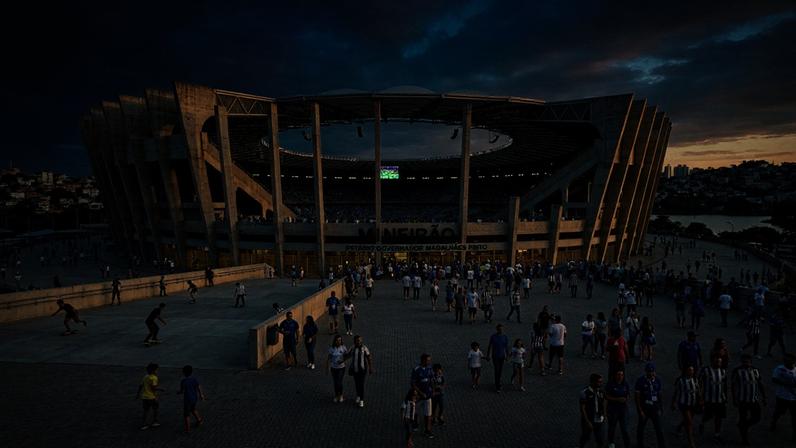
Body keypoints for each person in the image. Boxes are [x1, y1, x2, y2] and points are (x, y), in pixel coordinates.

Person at [731, 354, 766, 446]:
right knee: (743, 418)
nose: (746, 363)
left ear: (751, 362)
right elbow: (733, 386)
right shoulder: (737, 371)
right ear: (741, 362)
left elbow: (760, 383)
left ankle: (744, 425)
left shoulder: (755, 370)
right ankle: (744, 439)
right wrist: (734, 399)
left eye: (747, 362)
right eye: (744, 362)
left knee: (757, 417)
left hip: (754, 399)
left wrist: (764, 397)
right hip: (743, 401)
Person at [635, 362, 666, 448]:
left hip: (654, 408)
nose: (651, 373)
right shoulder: (641, 381)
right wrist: (640, 410)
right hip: (645, 407)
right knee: (641, 428)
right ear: (646, 371)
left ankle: (662, 445)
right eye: (649, 371)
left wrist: (660, 407)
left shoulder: (657, 380)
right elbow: (637, 396)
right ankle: (640, 445)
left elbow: (659, 394)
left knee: (659, 429)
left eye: (652, 371)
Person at [698, 355, 728, 443]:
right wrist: (700, 397)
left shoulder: (723, 371)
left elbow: (725, 385)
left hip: (720, 398)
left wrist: (725, 397)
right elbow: (699, 383)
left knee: (719, 417)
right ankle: (702, 422)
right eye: (717, 361)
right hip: (709, 398)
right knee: (709, 415)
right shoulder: (705, 370)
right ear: (712, 361)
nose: (718, 363)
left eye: (720, 362)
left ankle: (717, 434)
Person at [770, 353, 796, 441]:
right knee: (779, 412)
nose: (785, 361)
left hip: (793, 397)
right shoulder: (779, 369)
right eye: (785, 359)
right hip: (783, 396)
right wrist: (788, 383)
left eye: (788, 359)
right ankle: (773, 422)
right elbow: (774, 379)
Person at [671, 366, 699, 448]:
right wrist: (673, 403)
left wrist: (701, 400)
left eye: (692, 370)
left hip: (693, 403)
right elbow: (676, 392)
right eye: (690, 370)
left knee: (688, 419)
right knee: (689, 422)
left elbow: (698, 390)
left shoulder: (695, 380)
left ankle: (679, 427)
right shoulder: (680, 381)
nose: (691, 372)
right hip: (684, 404)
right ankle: (691, 442)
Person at [605, 369, 632, 448]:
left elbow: (628, 394)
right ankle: (611, 442)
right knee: (612, 427)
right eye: (618, 374)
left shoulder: (625, 384)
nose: (620, 376)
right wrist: (617, 399)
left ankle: (627, 444)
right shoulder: (610, 384)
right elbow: (606, 396)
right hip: (612, 409)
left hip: (623, 409)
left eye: (621, 375)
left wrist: (626, 398)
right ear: (615, 375)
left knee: (625, 428)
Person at [411, 353, 435, 438]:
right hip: (419, 396)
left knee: (428, 414)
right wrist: (420, 393)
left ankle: (427, 430)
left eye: (429, 360)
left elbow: (431, 380)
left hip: (427, 395)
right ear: (423, 360)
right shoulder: (416, 370)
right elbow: (413, 384)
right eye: (428, 360)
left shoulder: (429, 369)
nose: (429, 362)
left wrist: (433, 390)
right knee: (415, 412)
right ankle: (415, 422)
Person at [579, 373, 606, 448]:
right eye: (599, 382)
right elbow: (582, 409)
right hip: (589, 419)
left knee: (600, 439)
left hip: (598, 419)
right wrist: (587, 421)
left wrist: (604, 414)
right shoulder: (584, 393)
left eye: (601, 382)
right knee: (585, 437)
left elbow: (603, 403)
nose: (600, 384)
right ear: (592, 382)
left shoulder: (601, 391)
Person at [177, 365, 205, 433]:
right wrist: (201, 395)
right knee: (193, 409)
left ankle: (188, 429)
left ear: (184, 372)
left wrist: (178, 392)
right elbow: (198, 386)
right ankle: (199, 420)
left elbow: (182, 391)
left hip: (187, 400)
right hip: (194, 398)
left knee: (186, 415)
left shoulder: (183, 381)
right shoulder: (194, 379)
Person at [137, 363, 164, 430]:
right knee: (155, 409)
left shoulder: (145, 377)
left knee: (146, 411)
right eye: (157, 370)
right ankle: (155, 421)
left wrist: (138, 394)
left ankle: (144, 424)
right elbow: (153, 388)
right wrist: (160, 389)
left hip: (144, 397)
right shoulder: (154, 378)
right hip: (152, 397)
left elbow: (140, 386)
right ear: (154, 370)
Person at [349, 335, 373, 408]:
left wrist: (370, 368)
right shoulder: (352, 348)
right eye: (357, 340)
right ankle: (358, 395)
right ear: (355, 341)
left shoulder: (364, 348)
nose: (359, 342)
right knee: (357, 383)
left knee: (361, 384)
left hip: (362, 370)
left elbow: (369, 357)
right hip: (355, 369)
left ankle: (362, 400)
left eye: (360, 340)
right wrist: (341, 361)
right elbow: (348, 354)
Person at [486, 324, 509, 392]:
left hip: (502, 356)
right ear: (497, 329)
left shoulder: (505, 337)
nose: (500, 330)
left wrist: (507, 355)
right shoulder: (493, 337)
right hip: (495, 356)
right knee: (497, 370)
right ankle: (497, 385)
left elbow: (506, 347)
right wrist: (488, 355)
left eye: (501, 329)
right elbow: (490, 346)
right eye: (499, 329)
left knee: (500, 370)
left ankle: (498, 382)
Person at [327, 334, 348, 403]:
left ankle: (341, 395)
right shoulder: (332, 348)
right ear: (335, 341)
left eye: (340, 340)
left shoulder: (343, 348)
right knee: (335, 382)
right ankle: (336, 395)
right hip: (334, 367)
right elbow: (329, 358)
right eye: (337, 340)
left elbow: (346, 356)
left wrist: (343, 360)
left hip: (341, 367)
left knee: (339, 382)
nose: (339, 342)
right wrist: (327, 367)